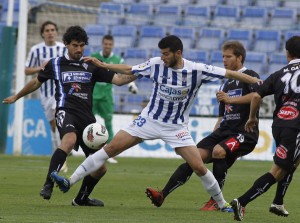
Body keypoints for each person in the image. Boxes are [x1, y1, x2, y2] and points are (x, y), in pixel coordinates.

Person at [49, 35, 260, 210]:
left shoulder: (196, 69)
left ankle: (222, 204)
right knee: (110, 148)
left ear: (178, 53)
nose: (162, 57)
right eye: (161, 53)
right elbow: (129, 69)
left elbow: (229, 73)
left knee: (198, 166)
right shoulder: (155, 64)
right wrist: (104, 65)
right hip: (148, 120)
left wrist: (258, 82)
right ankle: (70, 181)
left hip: (176, 127)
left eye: (166, 53)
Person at [3, 26, 137, 206]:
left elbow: (119, 80)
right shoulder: (55, 63)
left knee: (100, 168)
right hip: (66, 111)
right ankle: (48, 183)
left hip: (87, 120)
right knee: (69, 140)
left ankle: (81, 199)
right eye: (75, 45)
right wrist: (17, 96)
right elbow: (36, 82)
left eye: (82, 45)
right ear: (66, 44)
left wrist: (140, 72)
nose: (79, 49)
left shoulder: (92, 64)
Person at [145, 41, 260, 211]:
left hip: (244, 132)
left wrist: (231, 99)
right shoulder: (226, 83)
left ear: (240, 57)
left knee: (218, 152)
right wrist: (214, 135)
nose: (224, 60)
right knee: (194, 158)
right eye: (223, 56)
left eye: (228, 56)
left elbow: (257, 96)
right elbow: (222, 116)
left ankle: (215, 201)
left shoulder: (249, 75)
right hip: (224, 132)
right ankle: (162, 194)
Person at [230, 36, 300, 221]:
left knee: (292, 162)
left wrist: (252, 117)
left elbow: (256, 97)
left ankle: (278, 201)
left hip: (279, 125)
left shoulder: (279, 73)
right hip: (296, 127)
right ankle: (242, 201)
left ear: (287, 54)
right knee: (278, 170)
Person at [25, 21, 68, 172]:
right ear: (42, 33)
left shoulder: (63, 48)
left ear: (56, 32)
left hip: (61, 92)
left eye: (53, 30)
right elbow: (26, 70)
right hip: (44, 93)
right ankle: (58, 150)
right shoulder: (36, 50)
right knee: (53, 125)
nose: (50, 32)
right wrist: (41, 67)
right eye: (47, 30)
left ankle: (61, 159)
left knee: (58, 118)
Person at [91, 34, 138, 164]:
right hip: (93, 95)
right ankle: (88, 149)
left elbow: (126, 72)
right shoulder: (94, 56)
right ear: (102, 44)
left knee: (109, 123)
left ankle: (109, 152)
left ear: (112, 45)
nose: (107, 46)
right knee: (89, 122)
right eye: (105, 44)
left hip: (106, 96)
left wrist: (131, 84)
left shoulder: (117, 59)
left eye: (109, 44)